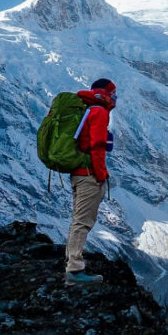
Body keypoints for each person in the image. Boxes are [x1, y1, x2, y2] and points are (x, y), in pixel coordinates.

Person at [65, 78, 117, 284]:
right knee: (82, 221)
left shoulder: (87, 109)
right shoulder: (99, 112)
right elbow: (96, 146)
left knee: (78, 219)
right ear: (106, 93)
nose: (114, 98)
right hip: (89, 174)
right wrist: (101, 174)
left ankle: (72, 262)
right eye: (113, 93)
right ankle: (74, 270)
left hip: (78, 173)